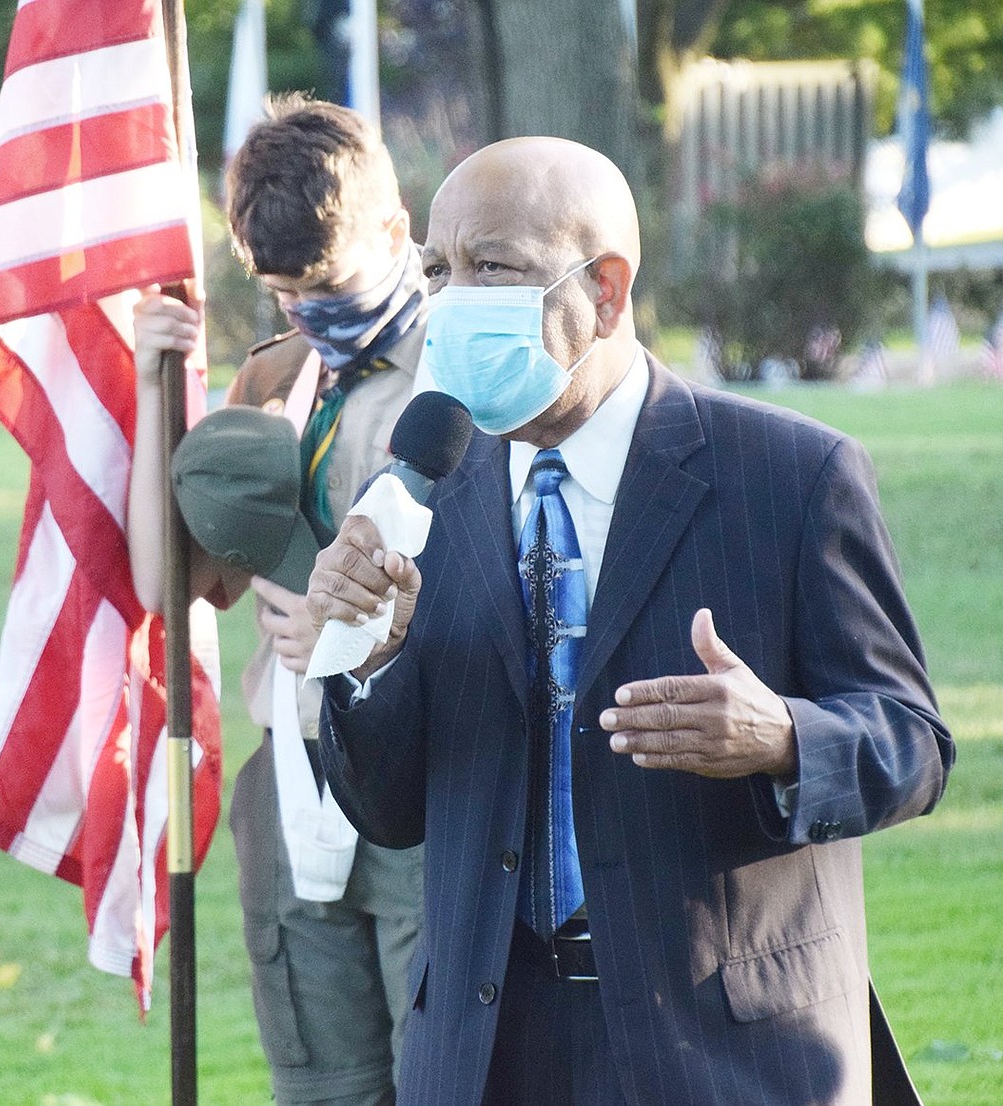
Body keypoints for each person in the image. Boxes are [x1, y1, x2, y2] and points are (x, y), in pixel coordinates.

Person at [306, 136, 954, 1106]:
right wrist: (367, 663)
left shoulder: (791, 474)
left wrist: (784, 737)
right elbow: (389, 811)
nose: (452, 300)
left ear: (606, 289)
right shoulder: (417, 496)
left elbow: (913, 743)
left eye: (493, 266)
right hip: (485, 1050)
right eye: (438, 270)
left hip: (728, 1046)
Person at [128, 94, 427, 1106]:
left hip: (422, 782)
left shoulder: (465, 375)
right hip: (292, 781)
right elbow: (165, 585)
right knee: (326, 1085)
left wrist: (374, 631)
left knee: (446, 1076)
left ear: (396, 228)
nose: (310, 312)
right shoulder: (276, 376)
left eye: (328, 285)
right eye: (284, 291)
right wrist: (150, 390)